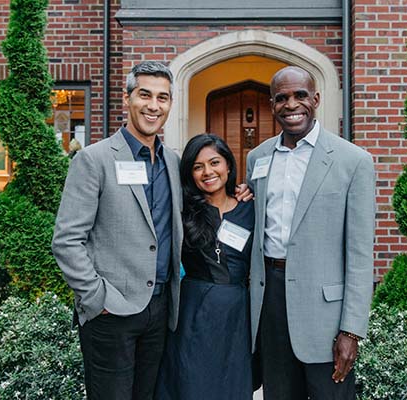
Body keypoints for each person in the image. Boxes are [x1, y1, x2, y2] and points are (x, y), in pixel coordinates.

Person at [52, 61, 251, 400]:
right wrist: (98, 298)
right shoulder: (95, 160)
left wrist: (239, 192)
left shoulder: (174, 163)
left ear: (170, 104)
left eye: (163, 98)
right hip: (111, 311)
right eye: (145, 95)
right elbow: (67, 240)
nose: (154, 106)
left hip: (161, 311)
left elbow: (206, 201)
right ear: (127, 98)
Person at [246, 66, 375, 400]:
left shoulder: (353, 161)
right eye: (282, 98)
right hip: (270, 302)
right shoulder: (257, 158)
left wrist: (352, 330)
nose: (291, 105)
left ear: (315, 99)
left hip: (326, 314)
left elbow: (360, 254)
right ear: (271, 104)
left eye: (300, 95)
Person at [156, 134, 254, 400]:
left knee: (232, 386)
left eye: (215, 162)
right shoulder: (184, 210)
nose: (208, 172)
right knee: (191, 384)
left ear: (229, 166)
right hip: (194, 313)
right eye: (198, 167)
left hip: (237, 316)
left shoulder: (250, 208)